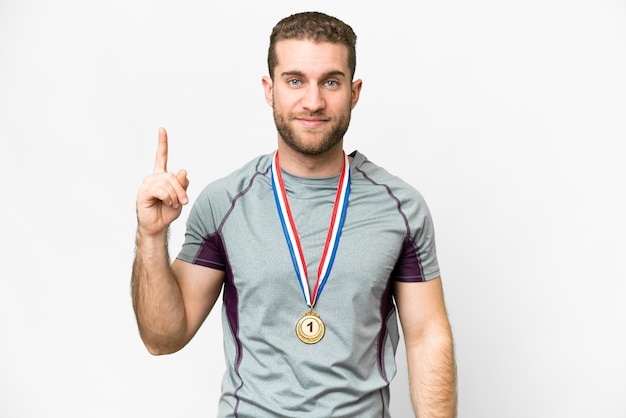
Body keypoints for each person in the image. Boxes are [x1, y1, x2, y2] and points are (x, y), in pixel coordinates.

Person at [132, 11, 457, 418]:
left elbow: (427, 336)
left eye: (331, 82)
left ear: (355, 92)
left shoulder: (401, 208)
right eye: (295, 80)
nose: (313, 101)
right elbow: (163, 337)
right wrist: (151, 237)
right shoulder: (224, 203)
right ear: (269, 89)